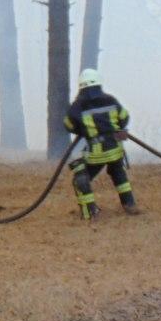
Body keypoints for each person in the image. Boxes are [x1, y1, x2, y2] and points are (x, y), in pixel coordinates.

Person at [63, 69, 140, 219]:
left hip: (96, 153)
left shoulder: (77, 106)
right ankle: (129, 204)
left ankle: (91, 212)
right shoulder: (110, 100)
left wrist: (83, 129)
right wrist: (117, 127)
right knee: (118, 172)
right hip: (115, 149)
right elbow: (124, 117)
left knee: (80, 178)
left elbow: (68, 125)